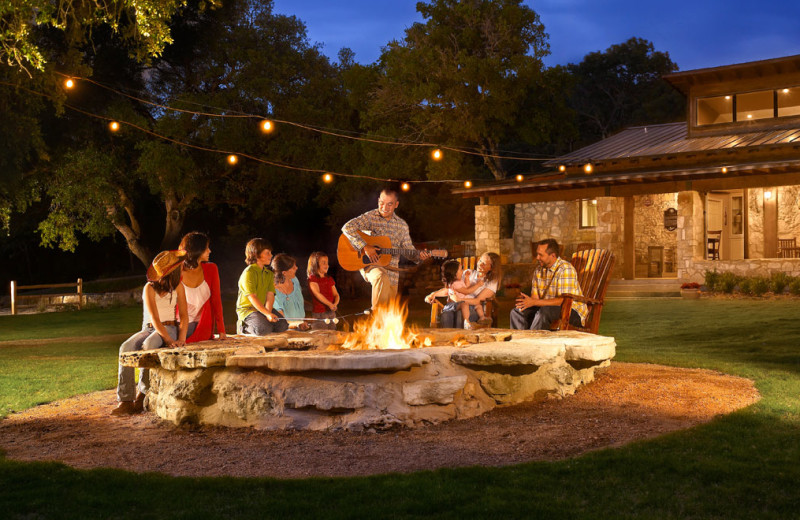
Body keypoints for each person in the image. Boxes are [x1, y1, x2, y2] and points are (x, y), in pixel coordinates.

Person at [112, 250, 189, 415]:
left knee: (149, 345)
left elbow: (183, 316)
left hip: (169, 327)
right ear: (173, 271)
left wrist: (181, 338)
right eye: (180, 267)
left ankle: (143, 394)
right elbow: (154, 317)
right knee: (125, 348)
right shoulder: (149, 288)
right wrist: (168, 341)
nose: (182, 269)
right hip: (149, 327)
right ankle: (125, 400)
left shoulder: (178, 287)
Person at [341, 189, 430, 308]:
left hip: (392, 271)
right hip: (371, 265)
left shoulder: (401, 225)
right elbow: (347, 227)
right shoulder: (370, 217)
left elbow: (409, 250)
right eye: (382, 203)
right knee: (381, 277)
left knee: (389, 311)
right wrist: (365, 246)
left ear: (396, 204)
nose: (385, 207)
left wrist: (418, 256)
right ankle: (375, 316)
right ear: (378, 201)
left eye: (390, 204)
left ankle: (380, 323)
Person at [510, 238, 587, 331]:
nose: (537, 258)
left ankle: (534, 344)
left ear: (553, 255)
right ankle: (519, 343)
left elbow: (564, 301)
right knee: (517, 312)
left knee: (544, 312)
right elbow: (535, 298)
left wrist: (534, 302)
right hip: (546, 308)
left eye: (540, 255)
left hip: (571, 311)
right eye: (537, 254)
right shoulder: (539, 270)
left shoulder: (565, 269)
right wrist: (528, 301)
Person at [180, 232, 227, 343]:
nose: (209, 251)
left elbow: (216, 300)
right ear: (197, 249)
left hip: (201, 325)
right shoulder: (178, 270)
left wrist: (221, 330)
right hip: (180, 323)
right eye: (206, 248)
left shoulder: (211, 269)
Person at [235, 238, 289, 335]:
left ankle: (262, 324)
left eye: (270, 252)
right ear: (256, 254)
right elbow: (252, 297)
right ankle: (243, 326)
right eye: (267, 253)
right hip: (248, 310)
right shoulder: (249, 272)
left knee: (283, 325)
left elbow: (270, 295)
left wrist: (267, 312)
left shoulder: (268, 274)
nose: (271, 255)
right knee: (263, 329)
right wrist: (267, 314)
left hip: (262, 308)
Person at [437, 252, 501, 329]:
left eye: (484, 263)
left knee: (460, 314)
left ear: (491, 267)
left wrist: (459, 300)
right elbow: (453, 287)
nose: (480, 265)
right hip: (457, 305)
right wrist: (433, 294)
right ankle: (447, 339)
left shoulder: (492, 282)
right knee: (446, 315)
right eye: (480, 261)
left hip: (475, 308)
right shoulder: (468, 273)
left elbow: (477, 301)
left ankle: (460, 338)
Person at [424, 259, 487, 329]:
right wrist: (478, 285)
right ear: (454, 274)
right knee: (448, 314)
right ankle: (459, 327)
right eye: (461, 270)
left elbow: (466, 286)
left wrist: (466, 278)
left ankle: (459, 331)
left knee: (460, 312)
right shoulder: (455, 284)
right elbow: (467, 291)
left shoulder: (459, 281)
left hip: (463, 304)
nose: (463, 271)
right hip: (457, 304)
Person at [271, 253, 309, 330]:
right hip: (287, 330)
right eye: (293, 267)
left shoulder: (294, 280)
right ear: (284, 273)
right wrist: (297, 324)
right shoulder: (273, 291)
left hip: (301, 327)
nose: (296, 268)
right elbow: (282, 321)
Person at [307, 251, 340, 330]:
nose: (327, 265)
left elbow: (336, 294)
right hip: (319, 314)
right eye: (324, 263)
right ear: (315, 264)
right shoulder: (312, 279)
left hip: (331, 313)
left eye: (327, 263)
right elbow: (317, 294)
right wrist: (329, 304)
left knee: (332, 335)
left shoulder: (329, 279)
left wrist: (335, 304)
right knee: (321, 336)